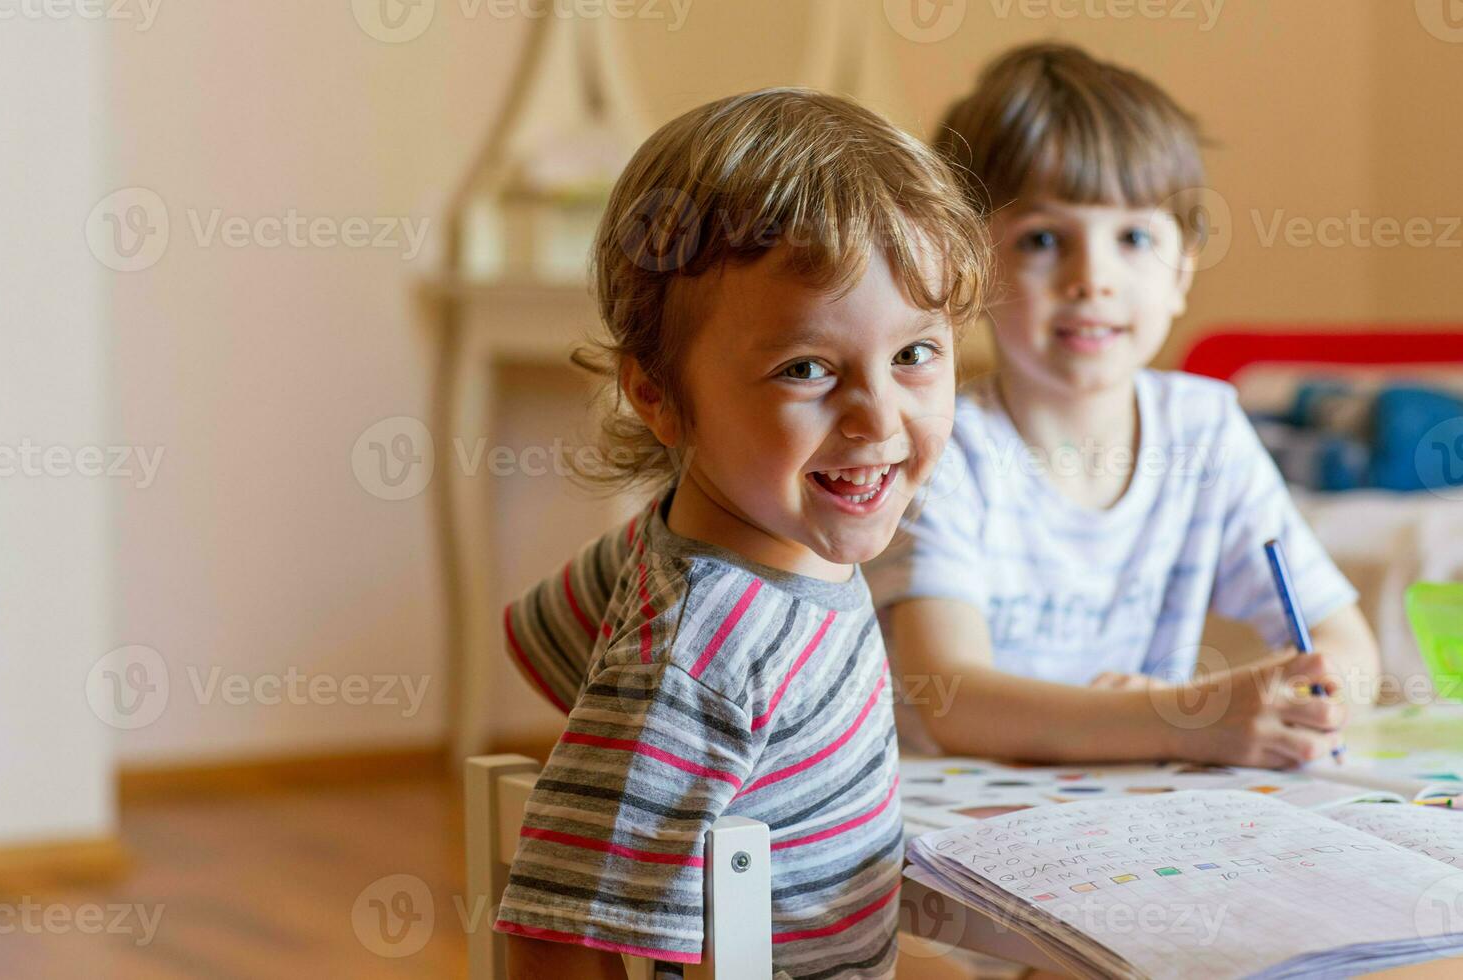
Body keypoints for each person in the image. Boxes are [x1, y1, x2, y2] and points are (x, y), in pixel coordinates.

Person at [492, 87, 989, 978]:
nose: (877, 418)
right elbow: (549, 935)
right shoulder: (705, 657)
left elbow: (549, 635)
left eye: (915, 353)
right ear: (655, 394)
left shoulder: (702, 534)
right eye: (807, 368)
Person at [865, 43, 1381, 768]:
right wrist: (1177, 722)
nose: (1093, 278)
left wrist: (1311, 696)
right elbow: (954, 699)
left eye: (1134, 236)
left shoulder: (1203, 431)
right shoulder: (945, 446)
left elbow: (1347, 644)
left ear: (1182, 270)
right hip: (950, 831)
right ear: (968, 271)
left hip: (1127, 822)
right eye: (1044, 239)